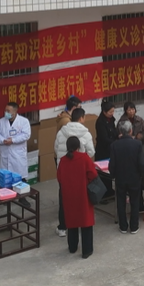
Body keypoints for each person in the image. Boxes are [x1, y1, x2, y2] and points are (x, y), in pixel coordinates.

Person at [54, 107, 94, 237]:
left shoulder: (62, 132)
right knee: (82, 200)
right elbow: (91, 152)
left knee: (65, 199)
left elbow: (56, 149)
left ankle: (63, 227)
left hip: (64, 170)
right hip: (81, 172)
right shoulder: (86, 134)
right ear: (82, 118)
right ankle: (82, 223)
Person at [57, 136, 97, 259]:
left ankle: (72, 247)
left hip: (69, 195)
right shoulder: (84, 158)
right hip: (83, 194)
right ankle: (86, 250)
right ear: (78, 146)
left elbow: (59, 177)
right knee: (85, 222)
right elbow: (93, 174)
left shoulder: (63, 161)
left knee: (72, 222)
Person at [109, 122, 144, 234]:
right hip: (134, 177)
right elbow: (141, 163)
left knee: (121, 202)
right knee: (135, 201)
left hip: (120, 177)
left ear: (120, 132)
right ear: (131, 131)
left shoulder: (114, 145)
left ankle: (123, 226)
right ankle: (134, 226)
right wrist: (141, 174)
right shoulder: (137, 144)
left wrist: (113, 175)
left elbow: (112, 164)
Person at [0, 102, 30, 177]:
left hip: (18, 157)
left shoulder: (24, 121)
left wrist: (13, 140)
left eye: (8, 111)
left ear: (15, 111)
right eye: (5, 110)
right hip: (5, 155)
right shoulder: (1, 121)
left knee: (18, 179)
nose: (6, 112)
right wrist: (3, 140)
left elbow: (26, 135)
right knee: (6, 179)